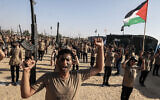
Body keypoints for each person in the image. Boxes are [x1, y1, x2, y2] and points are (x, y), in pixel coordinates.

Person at [20, 38, 104, 100]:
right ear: (57, 62)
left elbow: (99, 68)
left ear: (72, 62)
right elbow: (25, 94)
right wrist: (26, 71)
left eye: (68, 60)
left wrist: (100, 48)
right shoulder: (48, 78)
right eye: (62, 59)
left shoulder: (78, 76)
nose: (64, 63)